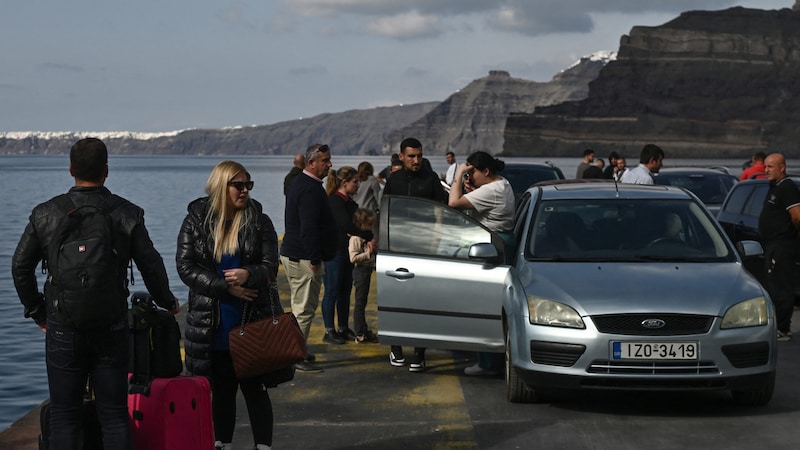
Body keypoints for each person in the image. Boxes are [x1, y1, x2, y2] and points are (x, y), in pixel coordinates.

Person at [11, 137, 179, 450]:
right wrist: (167, 301)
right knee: (114, 414)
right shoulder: (127, 213)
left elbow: (20, 267)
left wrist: (38, 312)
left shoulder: (46, 213)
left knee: (64, 415)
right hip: (112, 325)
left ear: (71, 169)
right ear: (106, 170)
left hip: (63, 325)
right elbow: (151, 264)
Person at [176, 160, 278, 450]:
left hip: (250, 319)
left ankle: (263, 447)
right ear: (221, 186)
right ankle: (222, 444)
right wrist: (226, 288)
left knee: (256, 391)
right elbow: (185, 267)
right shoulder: (196, 220)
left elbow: (271, 266)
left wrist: (249, 274)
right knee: (221, 392)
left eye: (249, 185)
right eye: (238, 185)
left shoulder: (259, 221)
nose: (245, 191)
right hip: (213, 322)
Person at [448, 151, 515, 376]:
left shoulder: (492, 190)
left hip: (490, 250)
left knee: (485, 307)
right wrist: (474, 190)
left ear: (485, 171)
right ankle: (491, 359)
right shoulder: (501, 184)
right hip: (499, 246)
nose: (469, 177)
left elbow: (453, 203)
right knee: (493, 306)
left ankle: (487, 363)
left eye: (472, 172)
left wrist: (458, 174)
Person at [383, 137, 447, 371]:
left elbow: (441, 213)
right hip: (397, 248)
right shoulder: (394, 180)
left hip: (424, 248)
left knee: (423, 300)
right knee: (395, 298)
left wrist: (436, 242)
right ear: (401, 156)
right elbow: (386, 213)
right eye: (411, 156)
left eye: (419, 155)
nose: (416, 160)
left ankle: (419, 353)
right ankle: (396, 348)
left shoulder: (430, 179)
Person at [280, 144, 337, 371]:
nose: (330, 164)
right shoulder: (310, 189)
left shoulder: (303, 184)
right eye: (325, 160)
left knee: (299, 307)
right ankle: (295, 356)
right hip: (303, 257)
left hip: (296, 254)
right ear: (311, 163)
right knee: (303, 308)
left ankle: (297, 350)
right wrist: (314, 259)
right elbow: (308, 228)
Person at [321, 166, 372, 345]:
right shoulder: (335, 202)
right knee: (332, 290)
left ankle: (342, 327)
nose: (358, 185)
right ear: (344, 183)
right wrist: (369, 236)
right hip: (335, 252)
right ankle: (329, 330)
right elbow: (347, 226)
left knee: (344, 291)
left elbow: (358, 224)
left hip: (346, 252)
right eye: (355, 181)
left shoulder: (350, 203)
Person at [758, 153, 800, 341]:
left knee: (780, 287)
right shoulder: (774, 187)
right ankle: (776, 325)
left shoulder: (787, 187)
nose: (766, 170)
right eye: (765, 167)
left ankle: (783, 328)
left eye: (770, 167)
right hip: (771, 244)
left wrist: (790, 234)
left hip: (782, 245)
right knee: (771, 286)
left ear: (782, 168)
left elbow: (797, 216)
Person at [348, 208, 379, 343]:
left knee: (363, 301)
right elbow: (353, 258)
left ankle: (364, 329)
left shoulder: (366, 236)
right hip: (360, 270)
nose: (371, 227)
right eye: (369, 224)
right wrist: (368, 253)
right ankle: (359, 332)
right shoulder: (356, 239)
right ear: (362, 224)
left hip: (367, 269)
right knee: (360, 303)